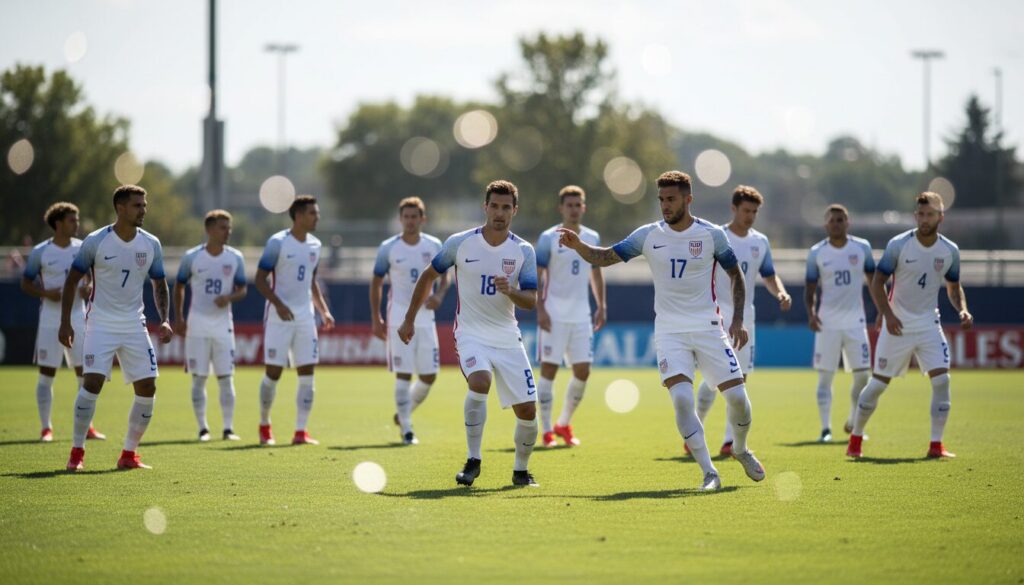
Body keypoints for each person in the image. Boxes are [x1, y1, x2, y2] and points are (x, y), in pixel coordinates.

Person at [559, 171, 765, 491]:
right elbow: (606, 256)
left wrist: (737, 319)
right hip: (670, 333)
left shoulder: (711, 235)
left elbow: (736, 276)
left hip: (710, 328)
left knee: (738, 398)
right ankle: (709, 472)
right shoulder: (648, 235)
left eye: (671, 199)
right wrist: (578, 246)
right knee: (683, 399)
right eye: (661, 200)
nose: (665, 206)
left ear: (688, 199)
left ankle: (739, 448)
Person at [398, 180, 540, 487]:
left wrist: (511, 291)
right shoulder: (460, 243)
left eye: (506, 207)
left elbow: (531, 300)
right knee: (480, 382)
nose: (499, 212)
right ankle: (473, 460)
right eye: (494, 206)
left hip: (507, 336)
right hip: (471, 333)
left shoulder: (523, 250)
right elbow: (428, 276)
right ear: (484, 207)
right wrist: (409, 319)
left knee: (528, 412)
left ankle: (520, 471)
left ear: (514, 210)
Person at [848, 192, 972, 459]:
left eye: (930, 214)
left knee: (942, 381)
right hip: (898, 327)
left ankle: (936, 445)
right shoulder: (898, 245)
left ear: (941, 216)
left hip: (929, 324)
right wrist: (888, 315)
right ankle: (855, 438)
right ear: (916, 215)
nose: (924, 219)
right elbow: (877, 282)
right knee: (879, 384)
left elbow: (953, 287)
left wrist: (962, 309)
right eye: (920, 214)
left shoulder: (949, 250)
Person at [59, 185, 173, 471]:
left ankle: (128, 455)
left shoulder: (151, 244)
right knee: (93, 382)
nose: (143, 210)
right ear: (120, 208)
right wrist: (65, 323)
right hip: (100, 323)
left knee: (148, 386)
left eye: (144, 205)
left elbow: (159, 283)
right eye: (137, 205)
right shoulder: (96, 241)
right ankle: (77, 452)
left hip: (135, 323)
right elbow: (72, 280)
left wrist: (166, 318)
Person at [695, 186, 791, 455]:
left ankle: (728, 440)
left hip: (745, 315)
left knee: (740, 378)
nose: (750, 216)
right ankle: (696, 430)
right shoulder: (717, 236)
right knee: (715, 377)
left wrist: (780, 293)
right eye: (746, 210)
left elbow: (770, 276)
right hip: (715, 313)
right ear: (733, 209)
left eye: (755, 212)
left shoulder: (760, 241)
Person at [253, 195, 335, 446]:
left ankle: (301, 431)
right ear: (298, 216)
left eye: (317, 213)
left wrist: (323, 311)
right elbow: (259, 280)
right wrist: (278, 304)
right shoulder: (277, 243)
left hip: (305, 317)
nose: (317, 217)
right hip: (279, 316)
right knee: (273, 373)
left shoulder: (316, 245)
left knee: (307, 372)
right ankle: (265, 425)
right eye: (312, 213)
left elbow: (311, 282)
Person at [20, 202, 105, 442]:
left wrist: (88, 286)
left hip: (78, 318)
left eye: (77, 220)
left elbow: (91, 276)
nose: (77, 224)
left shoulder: (82, 248)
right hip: (49, 320)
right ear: (58, 223)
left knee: (84, 374)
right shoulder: (40, 252)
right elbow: (25, 283)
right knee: (47, 374)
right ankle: (46, 428)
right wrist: (46, 294)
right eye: (72, 220)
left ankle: (87, 427)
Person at [370, 197, 448, 445]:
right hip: (398, 319)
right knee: (403, 375)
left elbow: (445, 275)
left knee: (429, 376)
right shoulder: (388, 247)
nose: (410, 221)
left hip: (426, 319)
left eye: (415, 216)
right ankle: (407, 429)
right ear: (400, 219)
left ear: (422, 219)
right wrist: (376, 317)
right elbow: (376, 283)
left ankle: (403, 413)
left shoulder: (434, 245)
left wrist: (439, 294)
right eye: (406, 217)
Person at [534, 185, 606, 447]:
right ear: (561, 208)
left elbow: (596, 273)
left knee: (583, 371)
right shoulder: (547, 238)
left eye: (578, 205)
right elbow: (538, 276)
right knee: (549, 372)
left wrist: (602, 305)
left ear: (583, 208)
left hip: (581, 316)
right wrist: (540, 308)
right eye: (569, 205)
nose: (574, 209)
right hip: (553, 314)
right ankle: (545, 431)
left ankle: (562, 423)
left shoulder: (592, 237)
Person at [173, 210, 247, 442]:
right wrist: (179, 318)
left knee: (226, 377)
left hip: (224, 325)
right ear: (210, 230)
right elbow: (179, 286)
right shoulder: (192, 257)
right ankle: (203, 428)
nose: (228, 232)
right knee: (199, 377)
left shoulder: (235, 258)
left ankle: (228, 428)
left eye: (229, 227)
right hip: (197, 324)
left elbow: (243, 288)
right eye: (223, 227)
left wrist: (229, 298)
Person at [805, 204, 875, 442]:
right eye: (832, 220)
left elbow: (874, 282)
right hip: (828, 324)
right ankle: (825, 429)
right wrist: (811, 313)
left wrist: (883, 311)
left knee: (863, 376)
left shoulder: (862, 248)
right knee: (825, 377)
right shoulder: (817, 252)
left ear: (848, 222)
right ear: (826, 224)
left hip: (856, 322)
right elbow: (810, 288)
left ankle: (854, 421)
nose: (836, 223)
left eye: (840, 219)